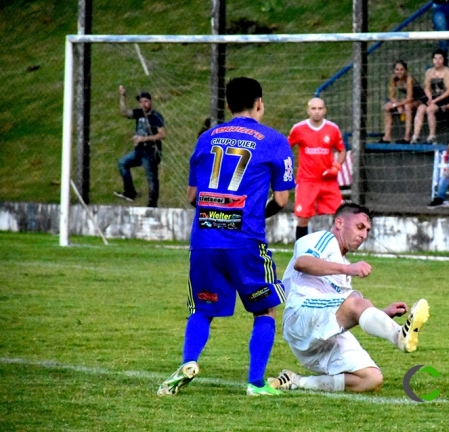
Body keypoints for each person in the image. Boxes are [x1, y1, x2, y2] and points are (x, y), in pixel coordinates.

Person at [157, 77, 295, 397]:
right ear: (259, 103)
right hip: (245, 242)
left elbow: (193, 195)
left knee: (202, 310)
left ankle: (188, 362)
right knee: (265, 310)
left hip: (205, 241)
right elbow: (284, 200)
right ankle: (257, 383)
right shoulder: (273, 140)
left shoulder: (205, 138)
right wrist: (255, 214)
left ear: (229, 105)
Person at [267, 203, 430, 393]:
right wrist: (349, 269)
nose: (363, 235)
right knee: (354, 300)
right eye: (359, 227)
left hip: (320, 334)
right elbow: (302, 263)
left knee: (371, 379)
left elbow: (345, 312)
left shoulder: (343, 268)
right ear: (339, 222)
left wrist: (383, 314)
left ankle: (297, 382)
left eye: (367, 230)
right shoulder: (322, 239)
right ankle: (398, 336)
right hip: (301, 315)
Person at [289, 98, 346, 241]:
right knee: (303, 218)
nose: (316, 111)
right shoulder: (298, 128)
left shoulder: (333, 129)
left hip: (328, 180)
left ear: (324, 110)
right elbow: (285, 148)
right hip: (306, 181)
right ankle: (300, 254)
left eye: (320, 108)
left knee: (340, 216)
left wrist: (336, 166)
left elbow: (341, 150)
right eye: (313, 108)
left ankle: (337, 254)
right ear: (308, 111)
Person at [114, 87, 166, 208]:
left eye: (145, 101)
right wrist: (122, 96)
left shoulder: (155, 116)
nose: (143, 104)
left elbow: (162, 134)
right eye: (141, 102)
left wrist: (143, 139)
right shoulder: (139, 113)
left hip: (151, 152)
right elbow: (124, 112)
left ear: (150, 102)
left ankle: (152, 204)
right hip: (139, 151)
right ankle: (130, 192)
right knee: (122, 163)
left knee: (151, 176)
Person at [411, 49, 449, 144]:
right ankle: (415, 136)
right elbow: (426, 88)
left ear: (444, 60)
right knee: (421, 108)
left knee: (430, 109)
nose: (437, 61)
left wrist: (436, 100)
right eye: (435, 58)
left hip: (445, 98)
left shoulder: (448, 72)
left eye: (440, 58)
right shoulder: (429, 72)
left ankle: (432, 136)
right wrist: (430, 98)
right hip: (433, 98)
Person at [379, 61, 426, 144]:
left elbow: (409, 98)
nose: (399, 72)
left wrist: (397, 104)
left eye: (401, 69)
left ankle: (407, 137)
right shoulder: (393, 79)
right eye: (397, 69)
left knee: (407, 106)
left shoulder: (409, 79)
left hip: (419, 100)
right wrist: (397, 105)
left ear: (406, 71)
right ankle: (387, 136)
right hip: (407, 101)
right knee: (387, 107)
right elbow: (392, 96)